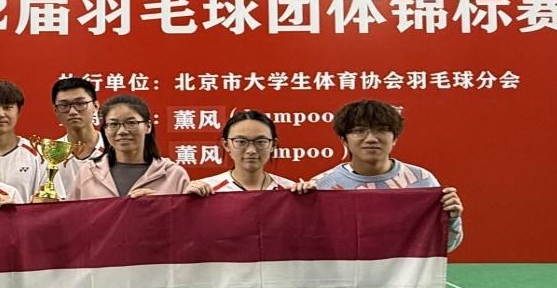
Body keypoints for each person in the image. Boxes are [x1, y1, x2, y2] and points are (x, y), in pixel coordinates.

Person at [314, 99, 464, 251]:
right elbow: (314, 244)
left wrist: (452, 218)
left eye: (381, 130)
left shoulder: (421, 179)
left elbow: (444, 246)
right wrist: (302, 202)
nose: (371, 139)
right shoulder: (323, 185)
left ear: (395, 138)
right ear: (344, 140)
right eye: (359, 131)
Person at [66, 94, 190, 199]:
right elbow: (72, 216)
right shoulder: (88, 172)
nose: (122, 131)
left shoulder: (174, 175)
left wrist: (157, 206)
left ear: (148, 126)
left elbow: (185, 218)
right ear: (105, 129)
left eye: (131, 123)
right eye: (113, 124)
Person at [186, 109, 314, 195]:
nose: (251, 150)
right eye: (241, 141)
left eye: (261, 141)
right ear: (226, 144)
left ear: (273, 144)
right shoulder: (207, 191)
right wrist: (187, 201)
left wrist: (309, 200)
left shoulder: (290, 192)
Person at [48, 76, 107, 199]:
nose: (73, 111)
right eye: (64, 105)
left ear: (96, 106)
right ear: (55, 111)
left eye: (80, 104)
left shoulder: (115, 149)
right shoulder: (49, 155)